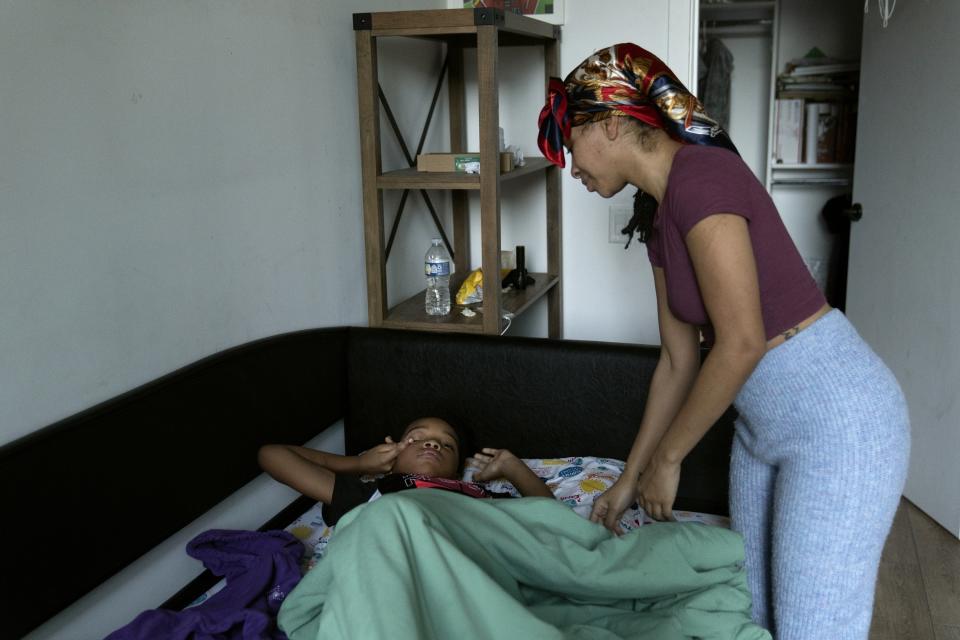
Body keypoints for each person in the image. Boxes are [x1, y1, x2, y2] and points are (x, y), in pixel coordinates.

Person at [537, 43, 909, 639]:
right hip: (761, 430)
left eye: (569, 140)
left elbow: (741, 342)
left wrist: (669, 458)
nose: (569, 164)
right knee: (753, 613)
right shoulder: (657, 216)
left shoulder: (703, 176)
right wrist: (631, 477)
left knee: (815, 627)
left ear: (610, 121)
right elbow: (677, 362)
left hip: (839, 421)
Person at [258, 416, 554, 525]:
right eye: (417, 438)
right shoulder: (374, 491)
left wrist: (512, 468)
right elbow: (273, 456)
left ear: (456, 472)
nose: (433, 445)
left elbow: (553, 519)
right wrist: (359, 464)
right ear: (392, 459)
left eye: (446, 446)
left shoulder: (476, 493)